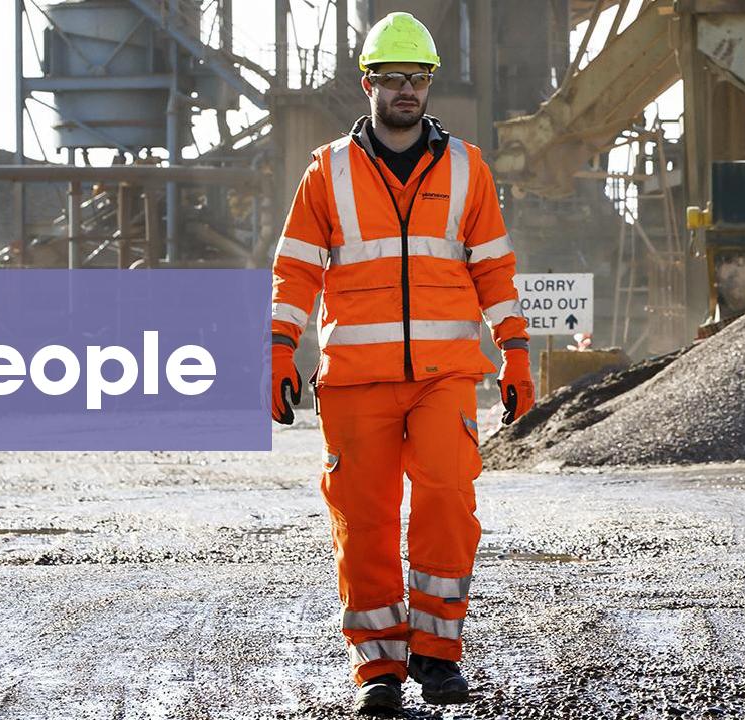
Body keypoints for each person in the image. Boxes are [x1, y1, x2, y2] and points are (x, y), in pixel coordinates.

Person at [266, 11, 535, 716]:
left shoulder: (467, 168)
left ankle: (438, 655)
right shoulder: (327, 171)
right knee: (365, 521)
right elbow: (294, 270)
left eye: (418, 79)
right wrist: (276, 348)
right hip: (356, 379)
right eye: (393, 79)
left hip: (445, 373)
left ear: (430, 84)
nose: (407, 91)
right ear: (369, 85)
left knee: (448, 500)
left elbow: (495, 269)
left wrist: (514, 350)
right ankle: (378, 668)